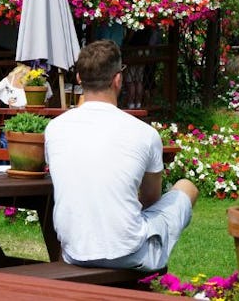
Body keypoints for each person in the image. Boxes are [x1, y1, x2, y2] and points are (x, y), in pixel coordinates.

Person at [44, 40, 199, 271]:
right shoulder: (145, 133)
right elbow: (151, 199)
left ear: (79, 79)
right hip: (130, 253)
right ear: (118, 79)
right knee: (187, 187)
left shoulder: (54, 129)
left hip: (74, 251)